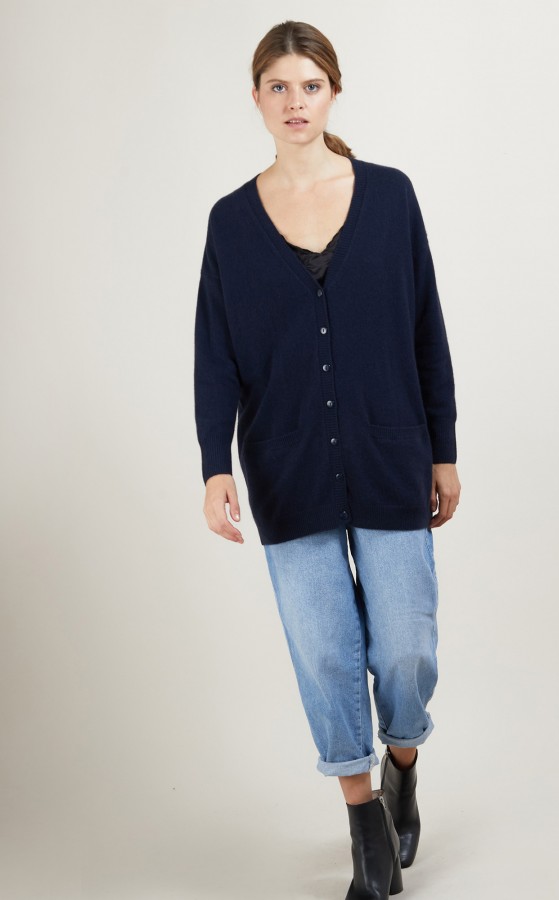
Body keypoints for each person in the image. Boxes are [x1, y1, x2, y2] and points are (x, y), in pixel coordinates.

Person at [193, 20, 460, 900]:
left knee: (407, 649)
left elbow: (426, 328)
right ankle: (363, 822)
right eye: (278, 86)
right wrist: (215, 463)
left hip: (391, 454)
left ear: (333, 92)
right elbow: (216, 353)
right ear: (257, 99)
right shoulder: (231, 222)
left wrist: (445, 449)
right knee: (327, 657)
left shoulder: (390, 197)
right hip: (287, 468)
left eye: (309, 85)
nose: (295, 102)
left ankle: (403, 763)